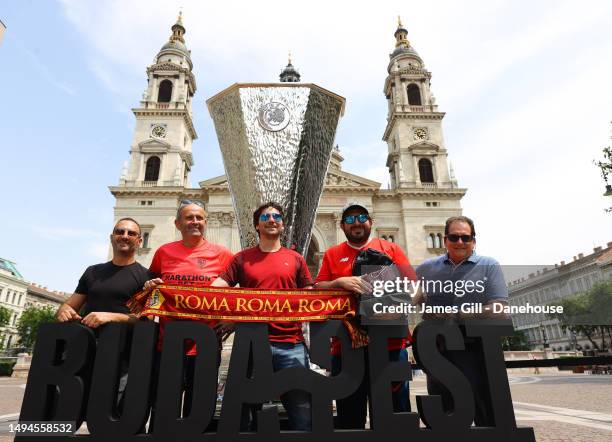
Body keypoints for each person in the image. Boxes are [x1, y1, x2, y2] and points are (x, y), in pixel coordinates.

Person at [212, 202, 313, 431]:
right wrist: (176, 294)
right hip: (250, 345)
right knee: (243, 412)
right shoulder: (241, 258)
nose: (272, 219)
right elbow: (215, 289)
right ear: (257, 225)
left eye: (276, 216)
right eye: (265, 216)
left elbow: (310, 298)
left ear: (282, 224)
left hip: (291, 344)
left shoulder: (296, 258)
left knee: (302, 411)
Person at [314, 202, 417, 429]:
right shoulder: (333, 254)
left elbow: (415, 288)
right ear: (342, 226)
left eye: (361, 217)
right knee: (350, 419)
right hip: (346, 348)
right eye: (350, 220)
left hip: (390, 345)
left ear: (371, 222)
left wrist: (392, 302)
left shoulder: (390, 248)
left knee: (395, 417)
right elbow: (318, 288)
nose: (356, 223)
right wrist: (339, 283)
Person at [143, 199, 233, 417]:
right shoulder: (163, 252)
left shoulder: (223, 255)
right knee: (164, 410)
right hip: (169, 344)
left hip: (206, 345)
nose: (195, 222)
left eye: (200, 217)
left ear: (206, 222)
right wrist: (149, 289)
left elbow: (239, 294)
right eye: (189, 217)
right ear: (177, 224)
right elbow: (152, 290)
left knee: (200, 411)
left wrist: (233, 320)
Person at [416, 215, 508, 426]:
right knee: (445, 417)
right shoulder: (426, 268)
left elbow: (499, 309)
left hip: (477, 352)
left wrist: (457, 313)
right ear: (445, 239)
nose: (460, 242)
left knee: (486, 415)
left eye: (465, 238)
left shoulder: (488, 265)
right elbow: (414, 299)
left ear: (474, 240)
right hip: (439, 354)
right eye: (454, 237)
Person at [56, 217, 152, 406]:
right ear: (111, 237)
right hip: (82, 353)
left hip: (121, 358)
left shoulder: (147, 277)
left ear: (139, 241)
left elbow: (145, 320)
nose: (125, 236)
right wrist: (64, 310)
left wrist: (111, 317)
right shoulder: (92, 271)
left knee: (108, 418)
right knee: (64, 414)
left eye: (131, 233)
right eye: (120, 232)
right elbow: (70, 305)